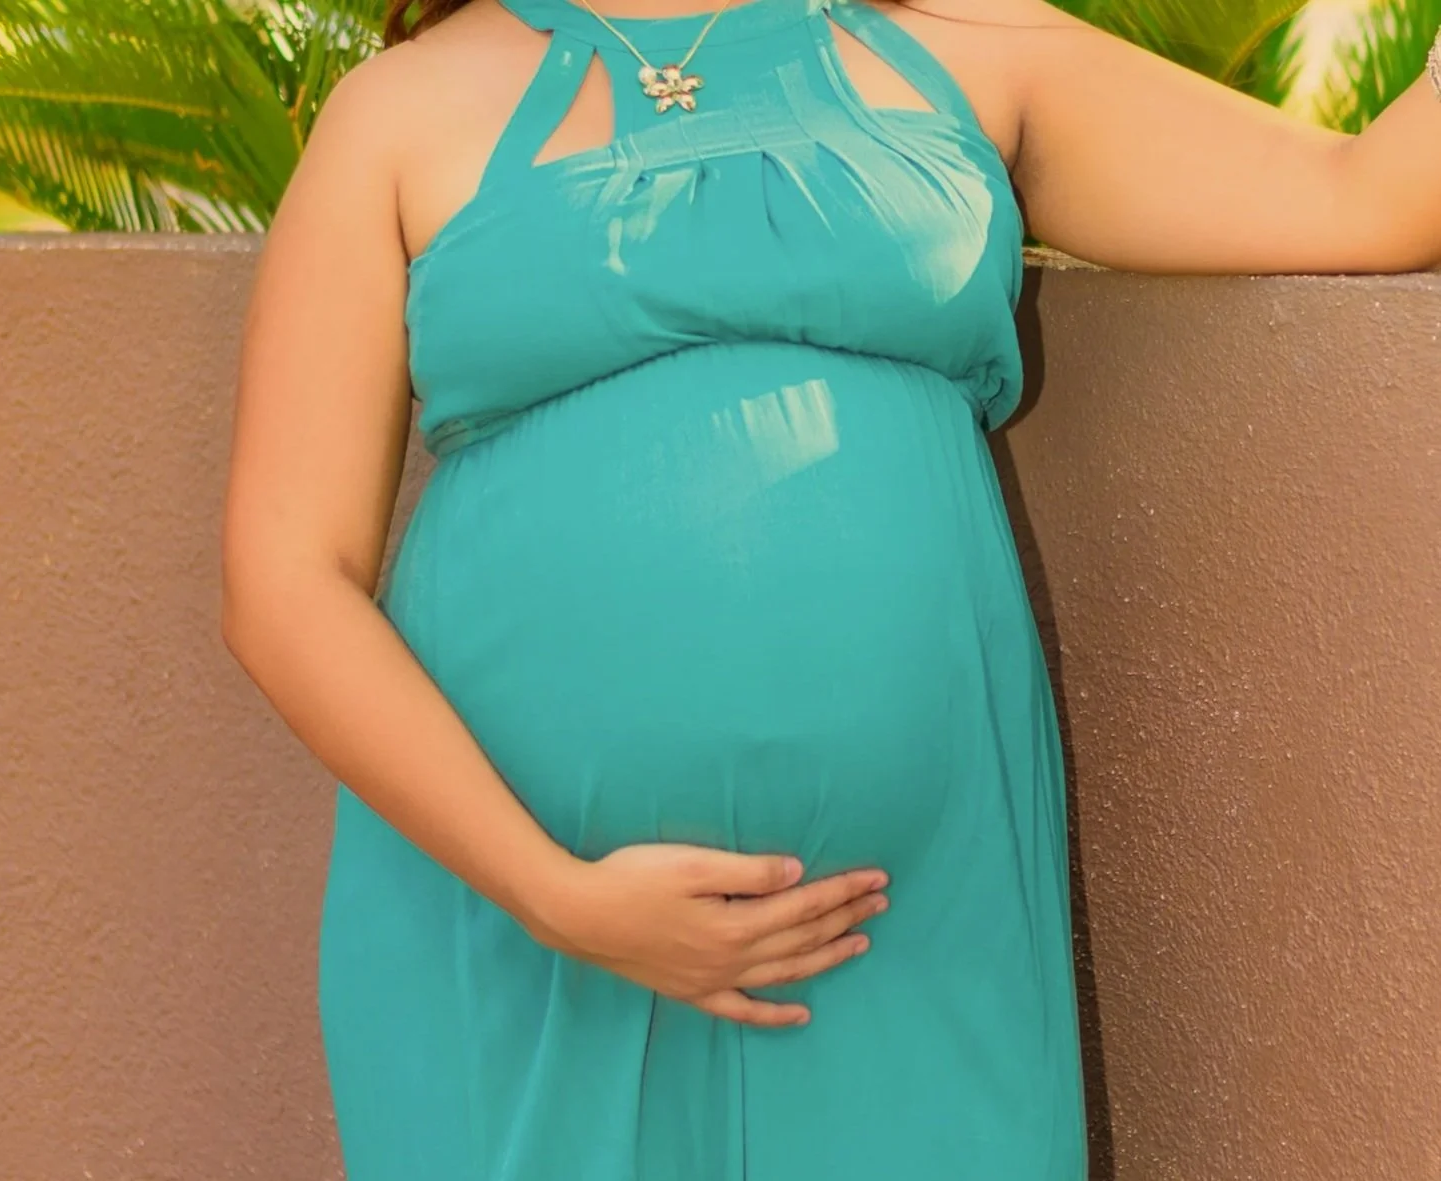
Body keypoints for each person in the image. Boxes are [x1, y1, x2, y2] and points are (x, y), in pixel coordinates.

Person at [219, 0, 1441, 1175]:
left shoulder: (971, 45)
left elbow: (1368, 198)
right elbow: (283, 576)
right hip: (522, 936)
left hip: (910, 921)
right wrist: (555, 894)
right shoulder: (393, 114)